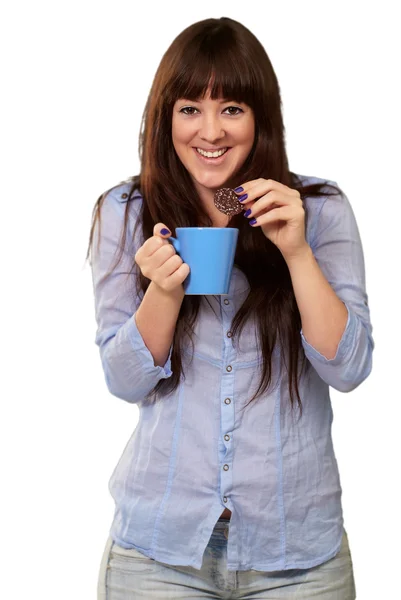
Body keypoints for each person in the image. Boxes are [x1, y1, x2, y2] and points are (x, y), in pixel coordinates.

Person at [87, 16, 373, 600]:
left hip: (298, 555)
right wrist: (163, 290)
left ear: (261, 116)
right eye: (190, 108)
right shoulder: (125, 210)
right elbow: (123, 380)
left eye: (232, 109)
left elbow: (348, 369)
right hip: (158, 553)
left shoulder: (318, 209)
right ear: (165, 117)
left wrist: (295, 251)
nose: (210, 131)